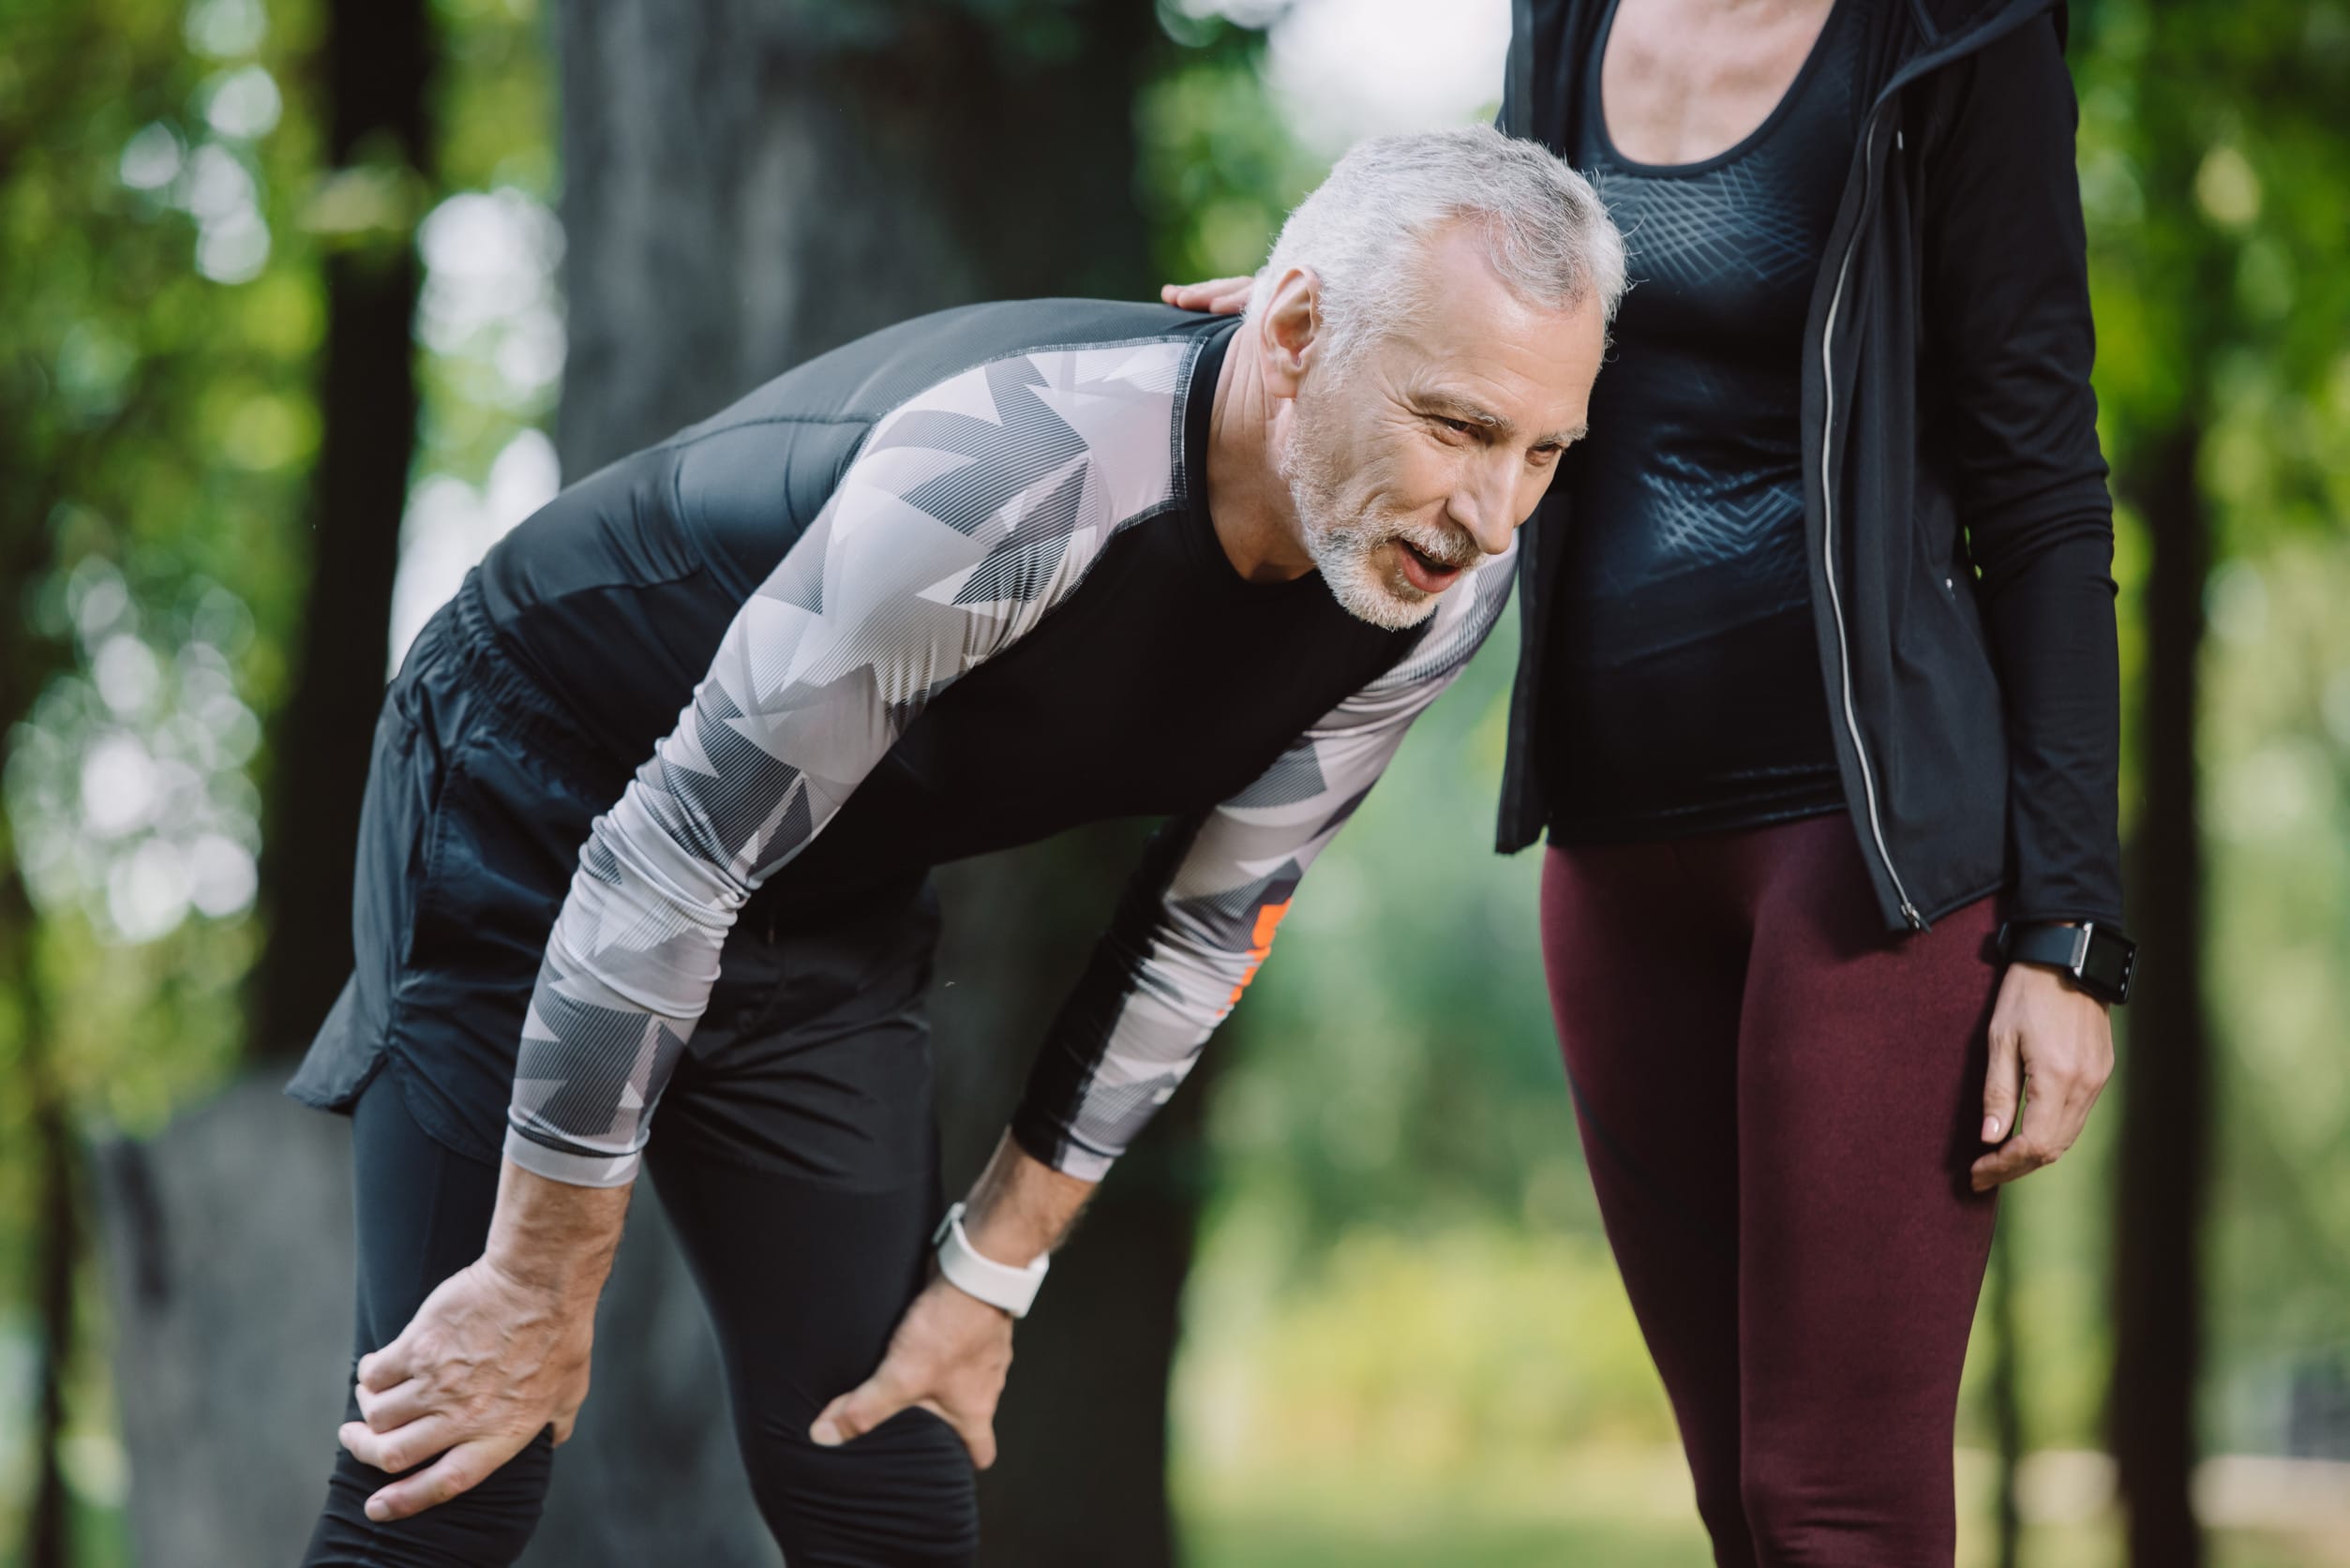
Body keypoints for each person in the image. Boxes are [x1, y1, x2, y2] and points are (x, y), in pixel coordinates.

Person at [287, 126, 1623, 1567]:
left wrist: (993, 1269)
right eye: (1457, 426)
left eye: (1545, 449)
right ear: (1296, 327)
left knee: (886, 1471)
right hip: (534, 800)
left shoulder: (1433, 590)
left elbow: (1204, 928)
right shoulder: (1023, 469)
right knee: (454, 1467)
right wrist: (543, 1278)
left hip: (821, 883)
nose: (1493, 516)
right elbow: (668, 858)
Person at [1163, 0, 2133, 1561]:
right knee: (1738, 1501)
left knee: (1836, 1506)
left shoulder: (1960, 32)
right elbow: (1505, 317)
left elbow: (2042, 483)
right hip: (1613, 841)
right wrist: (1349, 331)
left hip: (1868, 851)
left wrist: (2070, 930)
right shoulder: (1566, 17)